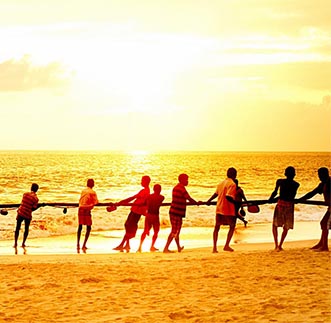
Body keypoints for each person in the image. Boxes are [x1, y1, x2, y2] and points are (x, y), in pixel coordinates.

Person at [163, 174, 201, 253]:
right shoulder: (181, 188)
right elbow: (189, 198)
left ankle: (178, 247)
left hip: (175, 212)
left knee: (177, 231)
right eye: (186, 180)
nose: (187, 181)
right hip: (176, 212)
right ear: (182, 180)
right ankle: (166, 248)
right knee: (174, 231)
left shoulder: (176, 187)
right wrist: (196, 203)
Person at [113, 175, 151, 252]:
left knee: (130, 227)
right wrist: (121, 203)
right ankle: (127, 244)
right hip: (134, 210)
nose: (141, 182)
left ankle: (122, 244)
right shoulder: (143, 191)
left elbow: (138, 200)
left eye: (142, 181)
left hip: (137, 212)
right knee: (127, 225)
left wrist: (121, 203)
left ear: (146, 182)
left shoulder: (146, 192)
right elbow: (133, 198)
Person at [298, 167, 330, 251]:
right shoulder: (322, 184)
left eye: (320, 175)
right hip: (330, 208)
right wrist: (300, 200)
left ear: (325, 174)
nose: (319, 177)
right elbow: (312, 193)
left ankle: (325, 246)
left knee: (324, 223)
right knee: (323, 223)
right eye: (318, 175)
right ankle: (321, 243)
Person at [206, 167, 238, 253]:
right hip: (227, 209)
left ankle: (214, 248)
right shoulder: (232, 184)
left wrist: (208, 201)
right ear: (234, 175)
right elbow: (228, 196)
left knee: (217, 227)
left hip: (219, 207)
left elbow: (215, 194)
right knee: (232, 226)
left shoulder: (221, 183)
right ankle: (226, 245)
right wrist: (236, 203)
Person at [268, 166, 300, 251]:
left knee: (275, 225)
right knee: (286, 226)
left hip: (281, 205)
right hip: (289, 206)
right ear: (294, 175)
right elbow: (291, 196)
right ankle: (280, 245)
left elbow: (276, 192)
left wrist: (271, 199)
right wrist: (273, 198)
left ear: (285, 174)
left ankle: (276, 245)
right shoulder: (296, 184)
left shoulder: (280, 181)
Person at [137, 184, 165, 252]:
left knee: (147, 231)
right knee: (155, 232)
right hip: (154, 215)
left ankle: (140, 246)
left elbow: (145, 203)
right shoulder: (161, 197)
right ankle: (150, 246)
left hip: (149, 214)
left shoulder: (149, 197)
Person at [14, 183, 40, 249]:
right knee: (26, 229)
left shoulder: (25, 194)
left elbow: (23, 203)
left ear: (31, 188)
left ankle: (15, 243)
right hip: (27, 214)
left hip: (20, 212)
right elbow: (33, 208)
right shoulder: (36, 199)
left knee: (17, 228)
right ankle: (23, 243)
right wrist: (38, 207)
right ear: (37, 190)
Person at [77, 178, 99, 252]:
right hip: (86, 209)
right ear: (92, 184)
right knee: (88, 227)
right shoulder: (93, 192)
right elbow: (96, 202)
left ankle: (78, 244)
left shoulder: (83, 191)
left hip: (80, 209)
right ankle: (84, 244)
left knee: (80, 226)